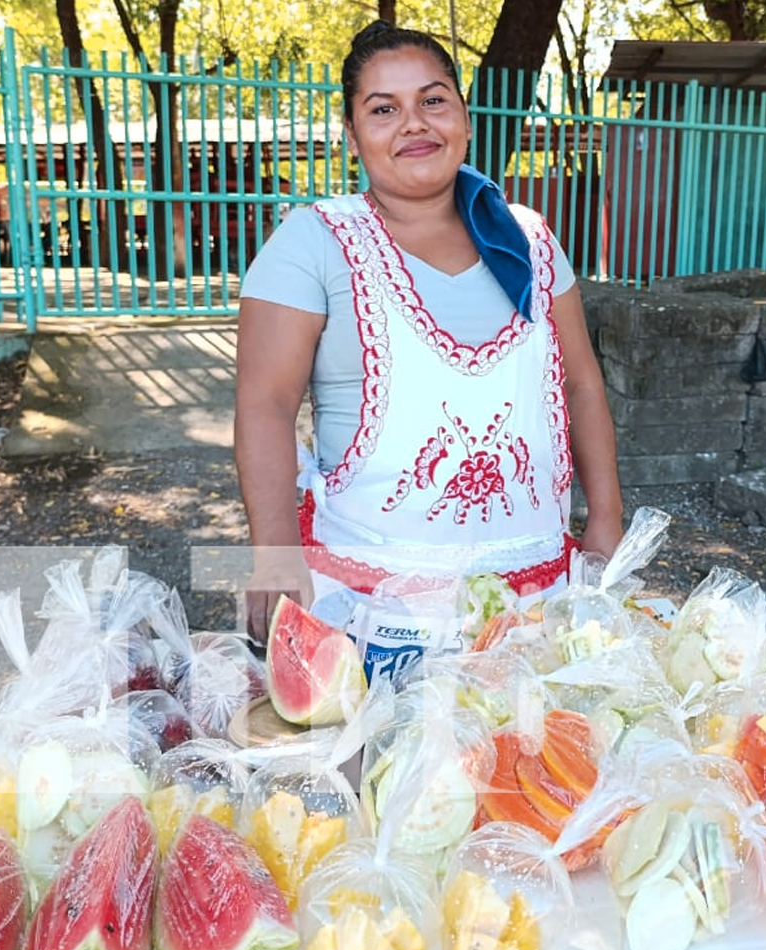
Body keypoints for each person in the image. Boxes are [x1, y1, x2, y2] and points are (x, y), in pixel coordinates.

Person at [235, 20, 624, 645]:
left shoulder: (530, 240)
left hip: (536, 602)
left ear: (464, 119)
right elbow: (265, 404)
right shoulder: (314, 242)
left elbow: (580, 384)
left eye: (433, 100)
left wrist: (605, 518)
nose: (414, 123)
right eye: (383, 109)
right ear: (353, 136)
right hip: (371, 609)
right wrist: (274, 555)